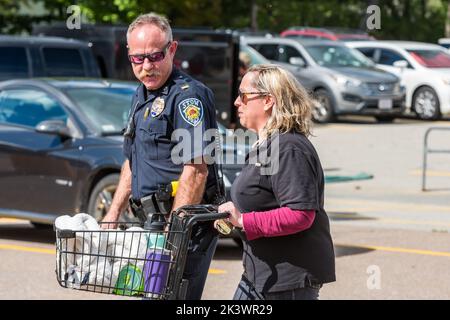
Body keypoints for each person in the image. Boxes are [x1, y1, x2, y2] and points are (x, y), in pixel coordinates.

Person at [101, 12, 222, 300]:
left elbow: (196, 169)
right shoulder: (141, 95)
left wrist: (173, 234)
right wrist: (113, 212)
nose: (146, 66)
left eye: (154, 56)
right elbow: (133, 160)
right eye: (138, 59)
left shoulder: (187, 98)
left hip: (182, 231)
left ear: (172, 49)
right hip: (151, 226)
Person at [217, 64, 336, 300]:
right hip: (260, 276)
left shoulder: (288, 147)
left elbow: (300, 214)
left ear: (268, 101)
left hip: (287, 282)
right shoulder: (267, 145)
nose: (236, 103)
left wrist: (243, 220)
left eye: (243, 96)